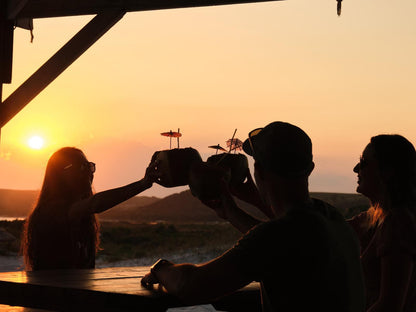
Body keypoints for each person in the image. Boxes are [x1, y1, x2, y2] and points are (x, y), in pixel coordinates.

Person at [141, 121, 365, 312]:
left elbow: (192, 286)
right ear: (310, 168)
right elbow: (283, 239)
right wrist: (238, 209)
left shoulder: (279, 237)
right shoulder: (330, 218)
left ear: (258, 171)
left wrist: (161, 268)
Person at [21, 147, 158, 271]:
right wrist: (143, 184)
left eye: (89, 166)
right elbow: (96, 203)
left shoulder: (83, 214)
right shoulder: (50, 210)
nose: (88, 172)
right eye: (81, 167)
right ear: (60, 174)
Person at [349, 135, 416, 312]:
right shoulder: (376, 218)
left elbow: (389, 305)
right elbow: (328, 227)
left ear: (387, 171)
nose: (356, 169)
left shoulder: (398, 223)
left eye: (363, 162)